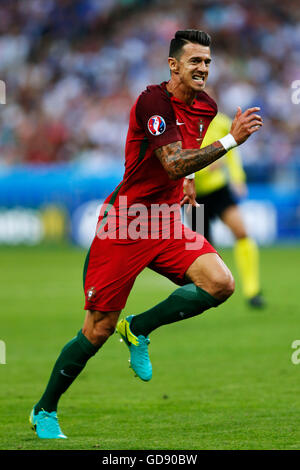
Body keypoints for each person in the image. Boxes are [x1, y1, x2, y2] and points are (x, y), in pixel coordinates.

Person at [30, 29, 263, 439]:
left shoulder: (206, 106)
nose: (203, 68)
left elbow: (181, 159)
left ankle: (139, 328)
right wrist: (231, 141)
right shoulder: (152, 101)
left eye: (207, 61)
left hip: (166, 221)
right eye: (195, 61)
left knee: (220, 283)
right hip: (127, 222)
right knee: (99, 327)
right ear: (173, 65)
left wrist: (189, 180)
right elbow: (172, 162)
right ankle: (44, 410)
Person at [190, 111, 265, 308]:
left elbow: (233, 149)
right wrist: (205, 168)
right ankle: (199, 294)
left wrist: (237, 178)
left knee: (241, 232)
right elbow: (178, 159)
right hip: (192, 196)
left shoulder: (221, 121)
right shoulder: (182, 122)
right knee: (200, 249)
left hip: (218, 190)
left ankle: (252, 290)